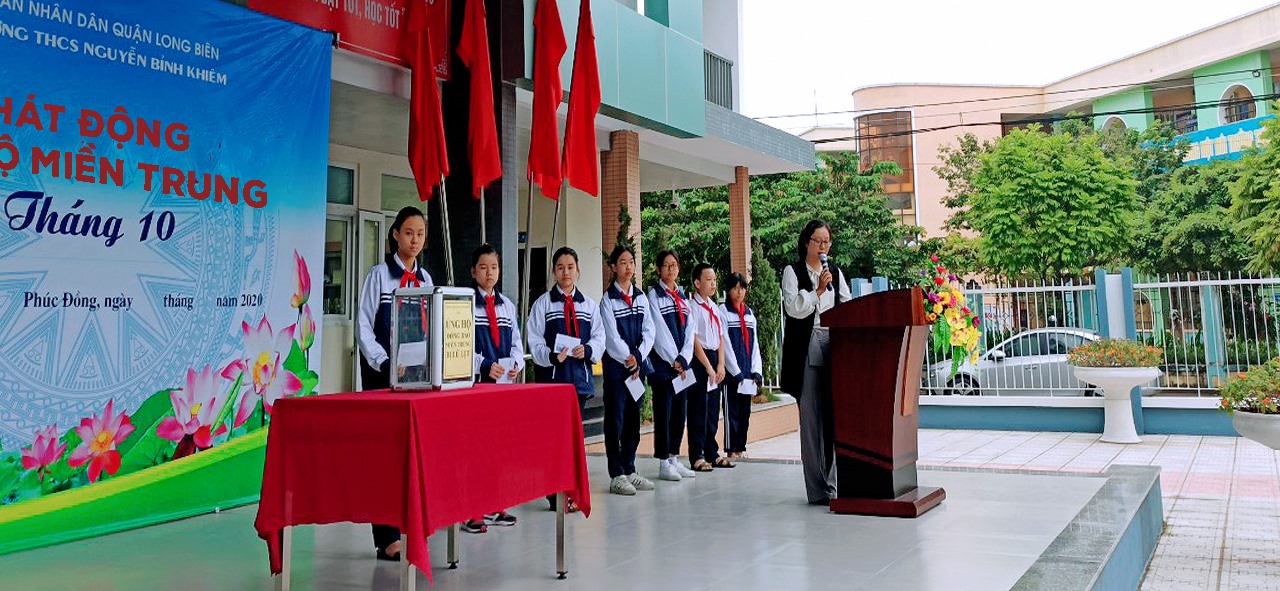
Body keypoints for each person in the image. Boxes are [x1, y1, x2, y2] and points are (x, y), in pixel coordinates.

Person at [355, 206, 432, 561]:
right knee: (383, 456)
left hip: (416, 380)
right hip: (383, 378)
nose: (415, 240)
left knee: (410, 455)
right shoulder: (379, 276)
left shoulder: (426, 279)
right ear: (395, 235)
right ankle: (385, 537)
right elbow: (363, 327)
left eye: (420, 234)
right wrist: (384, 363)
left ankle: (409, 527)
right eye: (409, 233)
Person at [526, 246, 605, 512]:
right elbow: (534, 340)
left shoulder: (589, 305)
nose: (566, 272)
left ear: (578, 270)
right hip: (552, 383)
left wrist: (589, 350)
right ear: (554, 271)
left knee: (574, 441)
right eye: (560, 267)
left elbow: (600, 337)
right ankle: (554, 494)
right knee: (553, 441)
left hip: (579, 383)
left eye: (570, 267)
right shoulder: (543, 304)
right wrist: (551, 355)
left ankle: (571, 491)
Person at [781, 219, 853, 506]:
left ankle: (835, 485)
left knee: (835, 416)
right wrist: (818, 291)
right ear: (806, 242)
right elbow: (793, 308)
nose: (823, 247)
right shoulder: (793, 271)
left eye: (827, 242)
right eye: (818, 241)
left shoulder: (835, 272)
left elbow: (847, 305)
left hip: (834, 342)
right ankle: (818, 489)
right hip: (807, 343)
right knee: (812, 420)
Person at [467, 243, 523, 533]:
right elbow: (459, 345)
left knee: (498, 448)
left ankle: (495, 503)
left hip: (502, 387)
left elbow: (517, 343)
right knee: (475, 448)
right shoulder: (465, 303)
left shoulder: (507, 305)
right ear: (473, 271)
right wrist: (484, 365)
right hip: (477, 386)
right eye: (484, 267)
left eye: (494, 267)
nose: (490, 273)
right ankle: (472, 509)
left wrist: (516, 363)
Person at [598, 244, 657, 495]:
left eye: (631, 262)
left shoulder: (641, 297)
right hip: (617, 369)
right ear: (613, 267)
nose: (628, 267)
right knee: (616, 420)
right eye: (622, 262)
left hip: (637, 369)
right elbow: (611, 336)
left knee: (633, 418)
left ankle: (630, 468)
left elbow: (649, 330)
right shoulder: (607, 300)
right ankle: (617, 474)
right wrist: (628, 358)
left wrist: (639, 357)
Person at [646, 250, 698, 482]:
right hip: (664, 368)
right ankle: (663, 462)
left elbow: (690, 330)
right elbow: (658, 331)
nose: (671, 269)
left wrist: (684, 358)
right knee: (664, 414)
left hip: (682, 367)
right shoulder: (653, 296)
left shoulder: (683, 297)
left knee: (679, 414)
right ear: (659, 269)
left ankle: (674, 457)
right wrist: (673, 360)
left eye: (674, 265)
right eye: (666, 265)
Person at [687, 263, 734, 471]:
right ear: (697, 283)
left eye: (714, 279)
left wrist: (721, 364)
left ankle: (711, 452)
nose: (713, 283)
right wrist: (708, 366)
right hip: (700, 360)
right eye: (708, 280)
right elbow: (694, 339)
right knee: (698, 408)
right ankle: (697, 455)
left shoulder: (714, 307)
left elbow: (721, 337)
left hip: (715, 359)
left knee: (713, 409)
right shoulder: (692, 307)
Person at [721, 272, 762, 460]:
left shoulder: (749, 314)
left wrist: (756, 371)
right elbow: (725, 345)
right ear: (728, 290)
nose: (739, 292)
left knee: (745, 412)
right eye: (735, 288)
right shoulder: (723, 311)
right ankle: (731, 449)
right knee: (732, 412)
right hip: (732, 375)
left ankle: (740, 449)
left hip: (747, 373)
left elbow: (754, 345)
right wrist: (735, 372)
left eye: (742, 288)